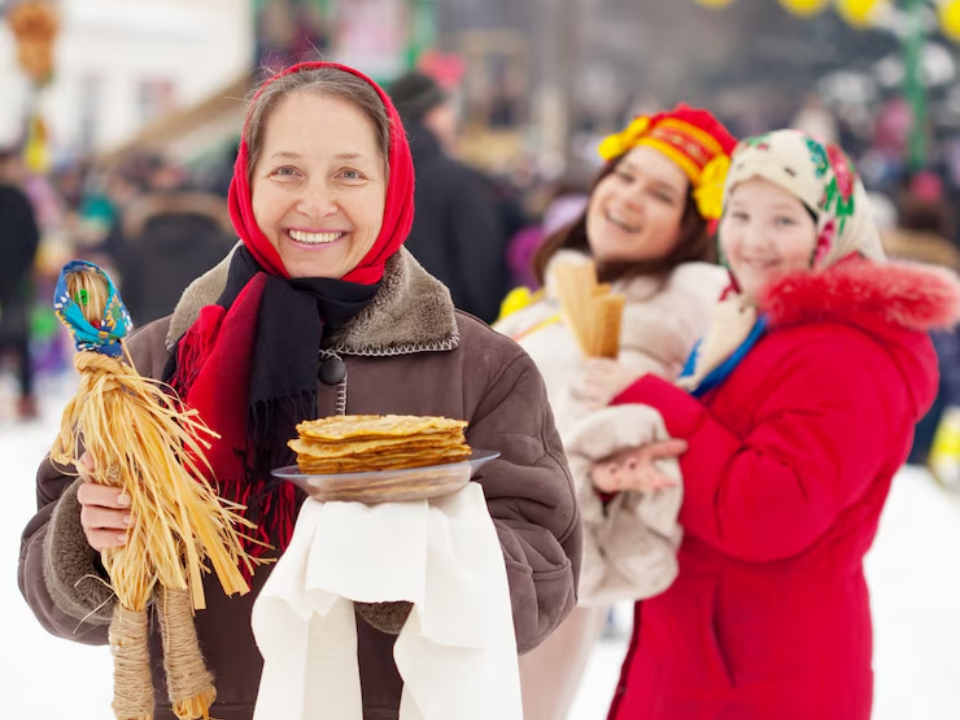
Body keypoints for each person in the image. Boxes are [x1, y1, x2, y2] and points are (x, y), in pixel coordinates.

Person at [18, 61, 580, 720]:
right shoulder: (148, 363)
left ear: (392, 186)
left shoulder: (482, 367)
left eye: (349, 173)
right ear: (247, 181)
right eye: (286, 171)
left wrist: (418, 557)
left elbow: (546, 584)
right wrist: (91, 537)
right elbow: (51, 591)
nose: (316, 203)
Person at [590, 129, 958, 720]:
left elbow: (769, 511)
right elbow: (720, 456)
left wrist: (657, 400)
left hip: (765, 671)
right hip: (713, 651)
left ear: (831, 231)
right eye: (739, 214)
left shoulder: (843, 352)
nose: (753, 240)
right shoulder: (757, 324)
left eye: (784, 220)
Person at [494, 106, 735, 720]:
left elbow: (635, 450)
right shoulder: (559, 299)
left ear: (690, 224)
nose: (628, 198)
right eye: (624, 176)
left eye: (660, 193)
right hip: (468, 552)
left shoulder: (671, 310)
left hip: (541, 575)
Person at [387, 70, 511, 323]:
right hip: (450, 336)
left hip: (377, 339)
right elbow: (481, 272)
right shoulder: (458, 181)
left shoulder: (370, 176)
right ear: (432, 113)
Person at [114, 157, 236, 326]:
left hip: (154, 335)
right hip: (209, 333)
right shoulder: (218, 243)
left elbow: (128, 301)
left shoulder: (139, 246)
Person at [0, 148, 41, 420]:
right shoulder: (18, 199)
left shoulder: (20, 199)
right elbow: (32, 239)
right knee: (19, 338)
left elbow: (32, 238)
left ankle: (26, 397)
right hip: (15, 280)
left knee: (21, 339)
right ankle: (25, 397)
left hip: (15, 281)